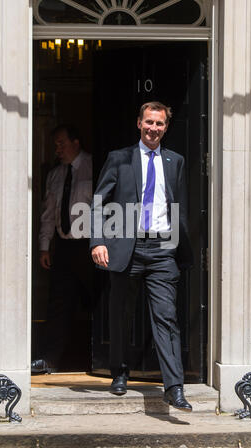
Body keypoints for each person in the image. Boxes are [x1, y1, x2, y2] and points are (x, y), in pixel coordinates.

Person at [90, 102, 193, 412]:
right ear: (138, 123)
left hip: (162, 250)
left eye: (159, 124)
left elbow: (180, 208)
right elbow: (98, 201)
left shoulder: (176, 161)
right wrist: (98, 241)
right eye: (149, 122)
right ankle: (119, 373)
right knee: (120, 314)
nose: (153, 128)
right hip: (127, 248)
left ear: (165, 127)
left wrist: (179, 246)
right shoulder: (119, 159)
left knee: (166, 318)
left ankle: (174, 387)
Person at [31, 124, 93, 374]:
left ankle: (103, 360)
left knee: (96, 300)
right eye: (55, 145)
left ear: (76, 142)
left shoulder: (94, 166)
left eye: (61, 143)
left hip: (91, 246)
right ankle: (49, 359)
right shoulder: (55, 175)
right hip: (65, 246)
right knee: (58, 304)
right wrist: (44, 247)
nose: (57, 149)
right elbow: (48, 213)